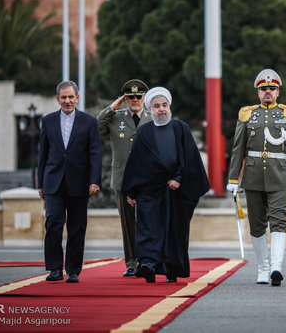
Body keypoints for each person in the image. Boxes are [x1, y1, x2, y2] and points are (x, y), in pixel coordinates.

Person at [227, 68, 286, 286]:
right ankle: (262, 267)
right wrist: (233, 178)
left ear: (278, 91)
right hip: (252, 175)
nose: (268, 92)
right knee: (257, 223)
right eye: (264, 89)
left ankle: (275, 268)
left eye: (272, 88)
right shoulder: (247, 114)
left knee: (279, 221)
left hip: (280, 175)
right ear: (258, 92)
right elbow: (238, 148)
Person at [121, 87, 209, 283]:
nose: (161, 109)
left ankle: (171, 270)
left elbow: (189, 158)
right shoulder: (143, 132)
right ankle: (148, 265)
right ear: (150, 109)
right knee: (148, 228)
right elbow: (136, 163)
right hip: (149, 190)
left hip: (174, 190)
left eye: (164, 105)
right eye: (156, 106)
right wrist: (132, 191)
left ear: (169, 106)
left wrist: (179, 178)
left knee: (173, 231)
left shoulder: (181, 128)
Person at [37, 80, 102, 283]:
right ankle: (55, 268)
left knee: (77, 227)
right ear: (57, 99)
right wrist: (40, 183)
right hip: (53, 182)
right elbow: (43, 154)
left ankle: (73, 270)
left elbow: (95, 153)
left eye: (70, 97)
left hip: (80, 182)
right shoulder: (47, 121)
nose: (67, 101)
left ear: (77, 98)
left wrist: (94, 180)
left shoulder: (89, 122)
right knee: (54, 223)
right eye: (63, 97)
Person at [97, 79, 150, 277]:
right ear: (125, 99)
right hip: (123, 178)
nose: (134, 100)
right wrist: (112, 107)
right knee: (128, 224)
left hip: (147, 179)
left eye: (138, 96)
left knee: (147, 221)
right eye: (130, 97)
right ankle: (131, 263)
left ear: (144, 97)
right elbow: (96, 127)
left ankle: (147, 261)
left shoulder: (152, 116)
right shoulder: (116, 117)